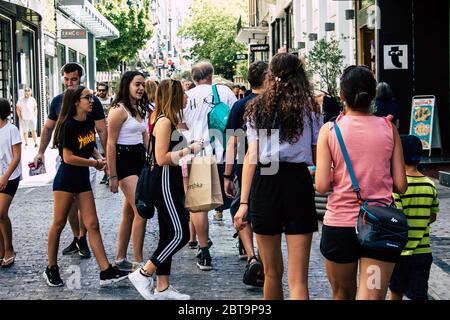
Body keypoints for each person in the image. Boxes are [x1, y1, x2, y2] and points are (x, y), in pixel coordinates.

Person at [315, 65, 408, 300]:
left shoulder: (330, 130)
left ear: (342, 95)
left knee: (341, 294)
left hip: (340, 228)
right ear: (372, 95)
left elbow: (322, 185)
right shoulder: (389, 128)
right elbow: (401, 184)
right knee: (372, 296)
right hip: (379, 229)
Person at [234, 53, 321, 300]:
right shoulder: (310, 108)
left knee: (271, 274)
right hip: (297, 181)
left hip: (266, 180)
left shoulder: (257, 107)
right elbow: (316, 155)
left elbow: (252, 156)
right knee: (298, 279)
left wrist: (243, 203)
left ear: (270, 75)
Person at [44, 86, 128, 286]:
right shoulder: (67, 125)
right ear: (76, 102)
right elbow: (68, 157)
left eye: (91, 97)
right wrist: (95, 164)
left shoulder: (89, 121)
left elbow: (90, 147)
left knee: (92, 224)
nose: (92, 101)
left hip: (82, 179)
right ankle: (51, 268)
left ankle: (106, 271)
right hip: (66, 179)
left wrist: (101, 159)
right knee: (58, 223)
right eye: (87, 98)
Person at [128, 79, 203, 300]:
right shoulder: (164, 122)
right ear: (175, 96)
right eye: (184, 93)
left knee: (168, 233)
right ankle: (144, 273)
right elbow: (161, 158)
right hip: (162, 180)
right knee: (180, 233)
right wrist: (190, 148)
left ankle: (162, 287)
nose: (188, 97)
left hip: (166, 179)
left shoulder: (167, 119)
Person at [34, 62, 108, 259]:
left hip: (85, 166)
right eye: (66, 79)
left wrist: (104, 157)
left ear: (80, 78)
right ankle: (74, 241)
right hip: (68, 166)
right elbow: (49, 129)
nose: (69, 83)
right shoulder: (59, 105)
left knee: (90, 218)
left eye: (73, 79)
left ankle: (85, 241)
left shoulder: (92, 103)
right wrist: (40, 152)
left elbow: (99, 132)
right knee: (65, 212)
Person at [181, 60, 237, 271]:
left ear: (193, 78)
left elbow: (182, 124)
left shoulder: (187, 97)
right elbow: (235, 119)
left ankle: (204, 252)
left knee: (199, 205)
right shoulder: (225, 92)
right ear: (211, 75)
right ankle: (243, 245)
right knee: (235, 200)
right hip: (228, 154)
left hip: (201, 154)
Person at [224, 61, 268, 286]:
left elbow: (232, 142)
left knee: (241, 208)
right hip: (272, 166)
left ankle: (251, 256)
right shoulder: (274, 103)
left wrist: (226, 174)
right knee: (263, 210)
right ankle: (264, 256)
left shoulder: (240, 106)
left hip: (244, 165)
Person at [107, 71, 149, 271]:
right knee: (142, 210)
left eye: (143, 85)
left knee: (129, 212)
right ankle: (139, 262)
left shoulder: (138, 108)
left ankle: (120, 258)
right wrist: (112, 175)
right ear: (127, 85)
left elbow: (145, 138)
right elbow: (110, 143)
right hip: (124, 162)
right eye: (137, 84)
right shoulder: (118, 109)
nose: (141, 88)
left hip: (140, 160)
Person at [389, 135, 439, 300]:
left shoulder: (397, 186)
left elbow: (396, 218)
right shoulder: (430, 185)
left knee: (396, 291)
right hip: (423, 252)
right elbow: (432, 217)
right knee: (419, 295)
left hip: (399, 251)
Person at [0, 98, 21, 268]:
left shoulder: (11, 129)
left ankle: (9, 249)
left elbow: (17, 157)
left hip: (10, 177)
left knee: (1, 213)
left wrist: (5, 177)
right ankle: (1, 251)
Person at [96, 82, 114, 185]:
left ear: (107, 91)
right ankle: (106, 173)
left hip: (109, 130)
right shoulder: (95, 101)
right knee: (102, 154)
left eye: (103, 90)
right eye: (99, 90)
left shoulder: (111, 100)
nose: (101, 92)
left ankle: (110, 173)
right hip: (98, 131)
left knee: (109, 153)